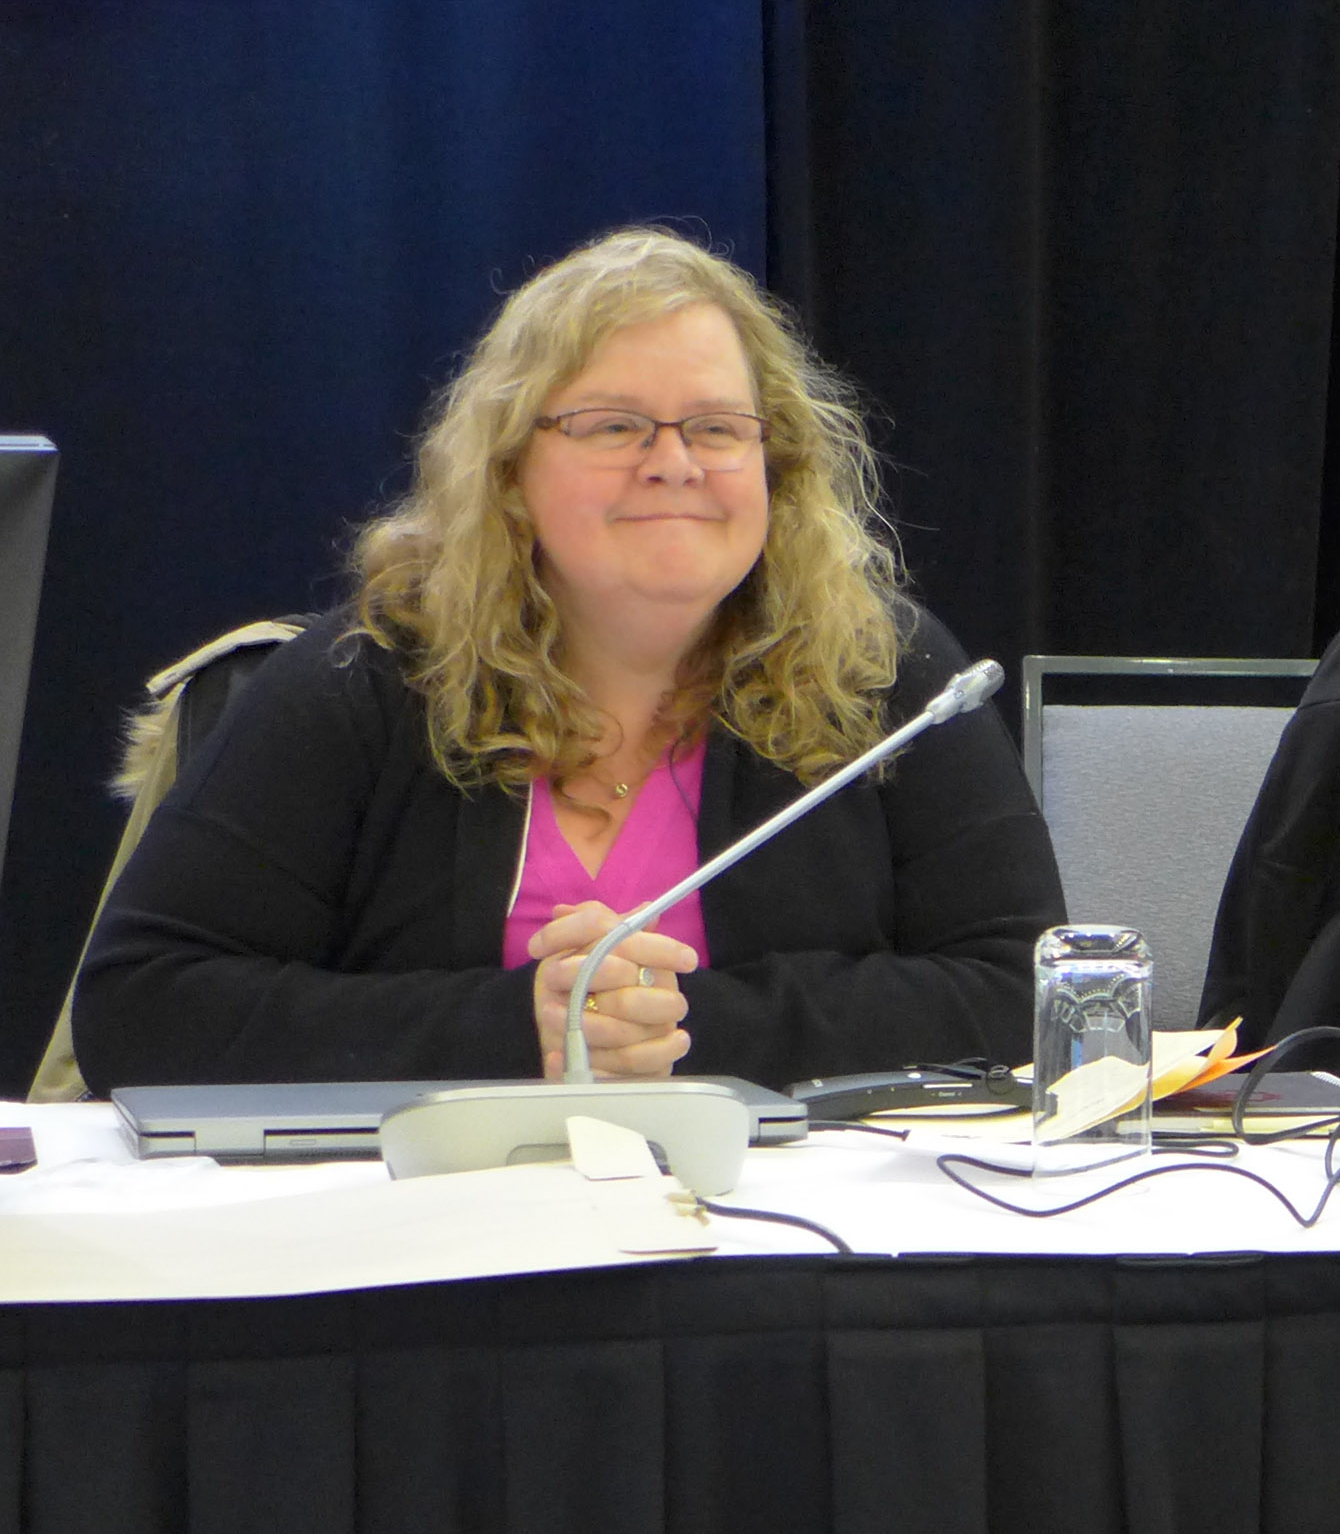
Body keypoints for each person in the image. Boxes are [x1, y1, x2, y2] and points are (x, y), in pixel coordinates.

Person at [72, 227, 1063, 1091]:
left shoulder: (885, 673)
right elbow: (142, 1006)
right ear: (509, 472)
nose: (673, 460)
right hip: (422, 1248)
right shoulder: (367, 679)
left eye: (717, 427)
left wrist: (685, 1025)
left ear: (778, 468)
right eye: (614, 426)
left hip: (780, 1249)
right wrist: (521, 1028)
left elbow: (1027, 989)